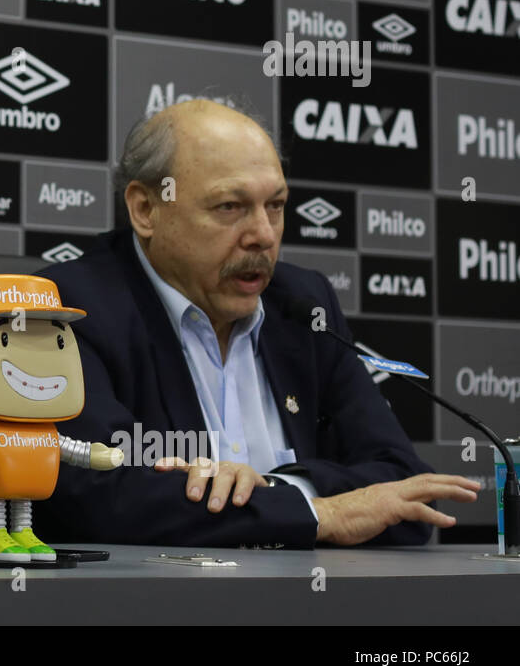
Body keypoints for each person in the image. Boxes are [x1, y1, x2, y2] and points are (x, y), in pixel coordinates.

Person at [35, 99, 479, 548]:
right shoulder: (69, 308)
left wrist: (285, 492)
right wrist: (316, 514)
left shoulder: (304, 307)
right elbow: (96, 494)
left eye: (276, 205)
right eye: (230, 206)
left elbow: (406, 492)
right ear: (146, 209)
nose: (264, 234)